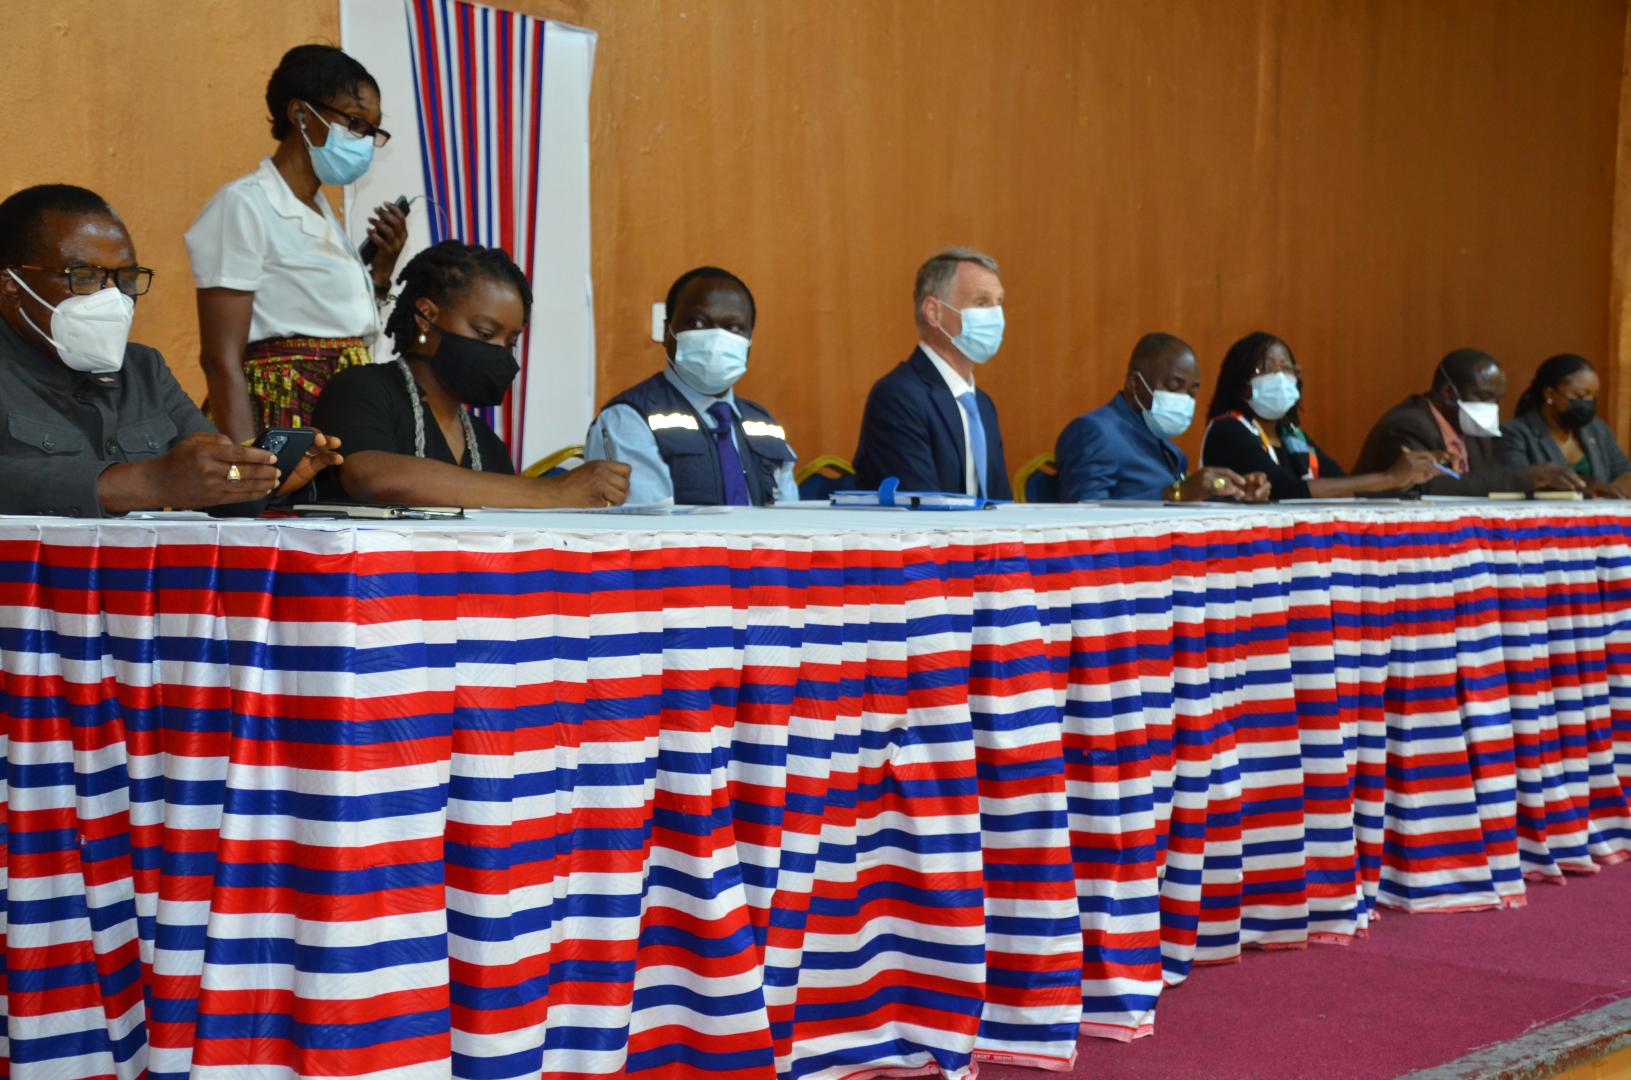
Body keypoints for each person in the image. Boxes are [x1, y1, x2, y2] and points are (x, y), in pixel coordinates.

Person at [0, 184, 340, 516]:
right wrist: (147, 482)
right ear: (12, 286)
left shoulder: (144, 369)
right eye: (85, 276)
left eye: (126, 278)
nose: (113, 296)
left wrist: (259, 479)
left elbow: (215, 472)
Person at [185, 44, 410, 443]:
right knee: (280, 507)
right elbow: (221, 358)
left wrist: (380, 273)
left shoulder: (323, 211)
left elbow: (337, 323)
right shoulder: (243, 204)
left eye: (372, 131)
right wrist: (246, 466)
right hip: (282, 409)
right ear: (301, 114)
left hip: (342, 405)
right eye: (355, 123)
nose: (364, 140)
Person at [312, 241, 629, 508]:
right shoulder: (361, 389)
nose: (500, 352)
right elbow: (371, 477)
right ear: (426, 316)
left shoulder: (487, 444)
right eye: (485, 332)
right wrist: (555, 491)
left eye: (511, 342)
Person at [583, 266, 797, 505]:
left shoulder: (764, 423)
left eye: (733, 328)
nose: (716, 339)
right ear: (667, 332)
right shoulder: (628, 420)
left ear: (748, 343)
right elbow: (648, 531)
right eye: (697, 323)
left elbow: (788, 519)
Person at [1201, 332, 1441, 499]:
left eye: (1286, 368)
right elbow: (1286, 492)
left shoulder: (1294, 438)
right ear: (1241, 383)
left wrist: (1407, 477)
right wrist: (1389, 478)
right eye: (1265, 369)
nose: (1280, 377)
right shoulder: (1228, 430)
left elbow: (1342, 485)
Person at [852, 247, 1012, 498]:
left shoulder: (982, 404)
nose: (995, 315)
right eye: (981, 303)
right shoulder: (898, 397)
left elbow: (999, 505)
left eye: (998, 303)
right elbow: (921, 509)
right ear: (934, 312)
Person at [1055, 332, 1268, 502]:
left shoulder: (1165, 446)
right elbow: (1085, 514)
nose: (1184, 399)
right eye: (1174, 386)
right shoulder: (1095, 431)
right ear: (1134, 384)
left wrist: (1234, 492)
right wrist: (1175, 493)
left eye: (1192, 393)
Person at [1353, 348, 1585, 496]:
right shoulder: (1408, 424)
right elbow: (1422, 487)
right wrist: (1529, 476)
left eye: (1497, 399)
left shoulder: (1472, 428)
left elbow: (1483, 481)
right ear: (1448, 393)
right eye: (1484, 397)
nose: (1493, 407)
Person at [1499, 354, 1631, 498]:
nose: (1589, 402)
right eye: (1581, 396)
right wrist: (1590, 487)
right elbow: (1517, 483)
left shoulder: (1597, 429)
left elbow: (1624, 471)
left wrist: (1615, 489)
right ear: (1550, 394)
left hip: (1601, 518)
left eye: (1594, 397)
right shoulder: (1515, 433)